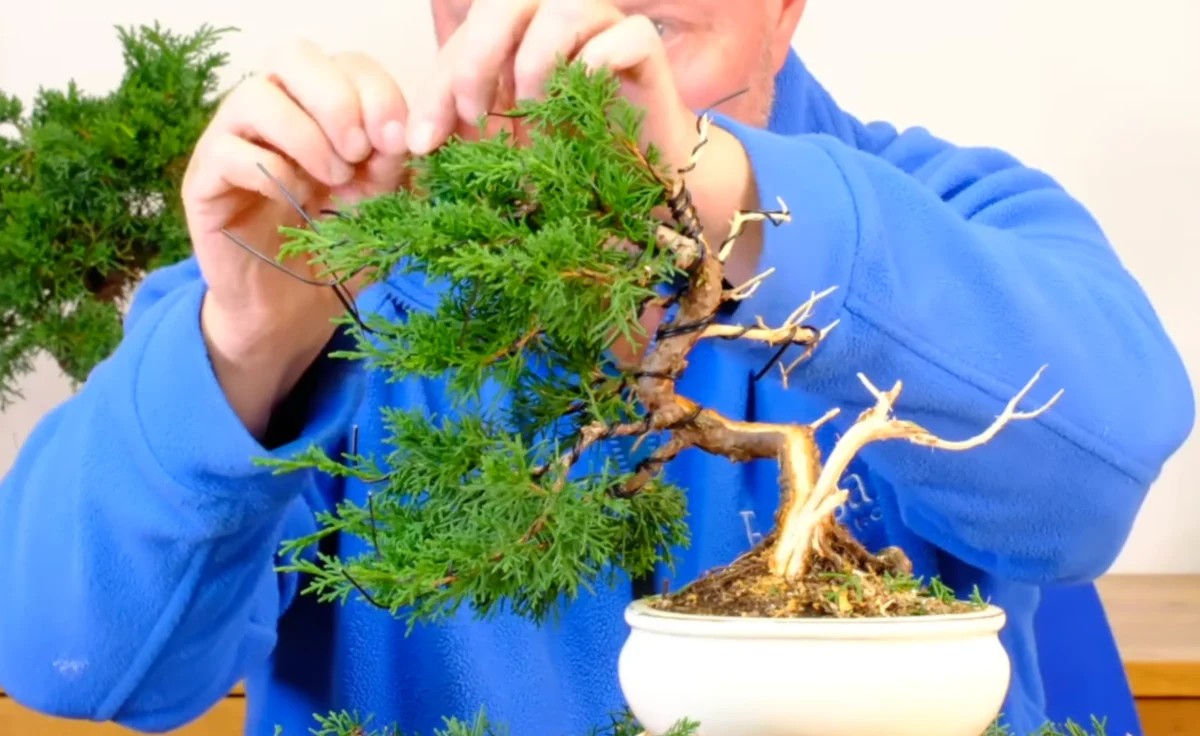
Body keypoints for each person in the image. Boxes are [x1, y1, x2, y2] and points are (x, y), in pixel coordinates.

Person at [0, 1, 1192, 734]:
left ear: (787, 6)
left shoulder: (950, 211)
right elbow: (75, 655)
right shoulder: (331, 261)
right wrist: (253, 339)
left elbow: (1099, 458)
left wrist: (716, 188)